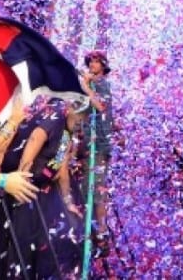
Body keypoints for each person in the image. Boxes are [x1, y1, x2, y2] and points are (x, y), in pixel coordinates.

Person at [79, 50, 114, 235]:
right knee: (88, 186)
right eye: (90, 62)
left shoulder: (101, 84)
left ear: (103, 65)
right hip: (89, 144)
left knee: (98, 188)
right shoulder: (93, 83)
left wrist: (85, 86)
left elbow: (101, 106)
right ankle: (90, 227)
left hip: (99, 144)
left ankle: (101, 229)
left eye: (96, 62)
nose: (92, 65)